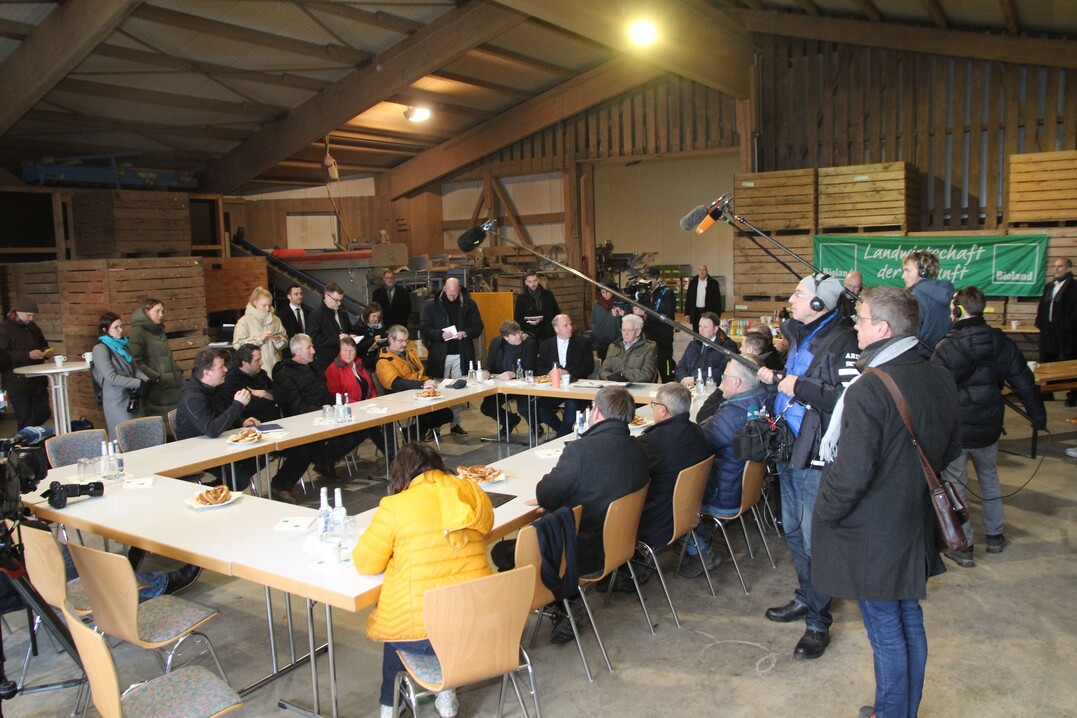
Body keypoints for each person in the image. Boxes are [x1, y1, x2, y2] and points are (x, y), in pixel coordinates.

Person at [812, 286, 961, 718]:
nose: (854, 327)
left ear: (882, 328)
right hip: (914, 518)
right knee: (908, 618)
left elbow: (851, 474)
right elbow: (951, 450)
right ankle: (902, 711)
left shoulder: (870, 388)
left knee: (885, 629)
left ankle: (892, 713)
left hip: (875, 531)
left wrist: (824, 512)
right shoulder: (938, 374)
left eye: (859, 319)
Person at [757, 273, 860, 660]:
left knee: (815, 538)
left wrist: (794, 385)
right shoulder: (802, 332)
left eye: (800, 294)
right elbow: (797, 380)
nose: (792, 298)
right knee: (794, 531)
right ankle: (807, 595)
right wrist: (778, 378)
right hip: (790, 448)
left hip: (816, 455)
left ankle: (818, 623)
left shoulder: (844, 340)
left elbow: (846, 399)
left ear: (821, 304)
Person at [354, 442, 493, 718]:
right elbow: (486, 530)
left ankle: (389, 705)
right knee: (441, 609)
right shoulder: (471, 491)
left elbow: (366, 563)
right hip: (478, 624)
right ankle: (446, 691)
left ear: (401, 475)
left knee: (398, 630)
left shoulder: (395, 506)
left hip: (423, 637)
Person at [931, 286, 1046, 567]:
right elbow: (1023, 381)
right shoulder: (1001, 342)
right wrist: (1038, 416)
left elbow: (932, 390)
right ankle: (995, 537)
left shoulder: (948, 346)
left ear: (957, 310)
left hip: (958, 430)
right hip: (989, 426)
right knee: (990, 479)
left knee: (956, 486)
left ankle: (964, 545)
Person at [530, 386, 650, 640]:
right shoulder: (639, 447)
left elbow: (546, 495)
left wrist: (555, 504)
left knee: (506, 552)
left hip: (583, 550)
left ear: (596, 413)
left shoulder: (580, 451)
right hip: (621, 542)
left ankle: (567, 605)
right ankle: (608, 581)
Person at [176, 349, 315, 503]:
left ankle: (223, 492)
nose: (225, 370)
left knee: (261, 456)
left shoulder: (215, 388)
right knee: (240, 479)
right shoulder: (193, 398)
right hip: (198, 452)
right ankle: (203, 495)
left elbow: (223, 413)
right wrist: (238, 405)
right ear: (207, 373)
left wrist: (241, 421)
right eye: (220, 367)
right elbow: (212, 429)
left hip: (220, 445)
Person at [682, 356, 768, 576]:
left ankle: (699, 550)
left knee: (671, 490)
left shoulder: (729, 418)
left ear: (737, 383)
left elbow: (692, 445)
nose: (720, 383)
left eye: (724, 378)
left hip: (723, 494)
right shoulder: (762, 399)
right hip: (743, 487)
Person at [272, 334, 367, 490]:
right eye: (309, 347)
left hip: (327, 415)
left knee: (359, 429)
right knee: (305, 450)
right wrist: (327, 412)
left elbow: (325, 393)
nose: (314, 351)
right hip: (304, 422)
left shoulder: (313, 366)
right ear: (297, 351)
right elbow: (297, 406)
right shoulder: (285, 374)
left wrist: (336, 408)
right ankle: (281, 485)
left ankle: (324, 461)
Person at [635, 384, 712, 568]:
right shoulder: (696, 431)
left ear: (663, 410)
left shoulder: (651, 442)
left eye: (654, 405)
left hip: (660, 519)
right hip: (689, 508)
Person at [420, 278, 483, 437]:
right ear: (444, 290)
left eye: (455, 294)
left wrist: (466, 332)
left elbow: (478, 327)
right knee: (437, 391)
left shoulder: (469, 304)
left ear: (459, 290)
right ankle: (435, 428)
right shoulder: (431, 305)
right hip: (440, 353)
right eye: (449, 294)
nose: (452, 297)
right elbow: (425, 329)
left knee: (458, 391)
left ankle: (455, 424)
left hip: (461, 352)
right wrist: (440, 334)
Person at [375, 325, 453, 439]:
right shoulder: (383, 361)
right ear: (391, 340)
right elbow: (395, 383)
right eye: (401, 341)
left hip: (415, 392)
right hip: (399, 397)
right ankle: (414, 435)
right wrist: (422, 385)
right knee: (431, 416)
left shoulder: (408, 353)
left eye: (406, 341)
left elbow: (418, 372)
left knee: (446, 414)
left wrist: (428, 382)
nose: (404, 344)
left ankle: (413, 433)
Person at [91, 312, 150, 440]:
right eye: (116, 327)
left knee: (139, 433)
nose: (120, 330)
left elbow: (134, 368)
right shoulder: (100, 349)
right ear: (105, 330)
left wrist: (146, 380)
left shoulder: (124, 346)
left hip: (132, 396)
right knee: (124, 435)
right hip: (116, 399)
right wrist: (138, 383)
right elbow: (111, 376)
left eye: (121, 326)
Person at [536, 314, 595, 437]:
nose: (570, 327)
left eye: (570, 324)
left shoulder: (583, 343)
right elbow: (539, 367)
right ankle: (564, 434)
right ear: (556, 329)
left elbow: (588, 367)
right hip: (554, 389)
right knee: (540, 407)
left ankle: (559, 437)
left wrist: (568, 372)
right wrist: (549, 373)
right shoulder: (545, 345)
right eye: (566, 325)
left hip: (576, 388)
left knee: (571, 405)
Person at [128, 297, 183, 421]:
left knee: (174, 419)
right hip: (156, 387)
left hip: (169, 384)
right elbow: (135, 360)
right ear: (146, 311)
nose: (161, 315)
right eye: (157, 311)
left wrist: (176, 370)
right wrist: (155, 376)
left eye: (162, 311)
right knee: (161, 420)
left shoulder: (159, 331)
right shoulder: (138, 332)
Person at [0, 299, 51, 429]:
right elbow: (3, 355)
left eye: (33, 315)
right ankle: (22, 443)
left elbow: (43, 344)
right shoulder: (5, 329)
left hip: (37, 379)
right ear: (17, 313)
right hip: (17, 383)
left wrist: (45, 352)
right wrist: (27, 355)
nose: (31, 318)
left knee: (44, 412)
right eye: (28, 315)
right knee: (24, 416)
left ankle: (25, 439)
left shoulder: (33, 327)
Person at [480, 320, 536, 436]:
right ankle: (509, 421)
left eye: (519, 332)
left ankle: (536, 426)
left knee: (524, 408)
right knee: (487, 407)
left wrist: (514, 374)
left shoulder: (529, 343)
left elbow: (531, 366)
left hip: (522, 384)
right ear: (506, 337)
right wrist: (485, 371)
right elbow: (490, 363)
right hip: (501, 384)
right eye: (514, 335)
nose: (519, 336)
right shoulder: (496, 343)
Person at [1035, 257, 1077, 405]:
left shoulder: (1074, 287)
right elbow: (1042, 306)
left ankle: (1073, 396)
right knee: (1048, 360)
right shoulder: (1049, 286)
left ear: (1069, 269)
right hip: (1049, 330)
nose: (1056, 269)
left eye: (1060, 266)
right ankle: (1048, 392)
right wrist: (1040, 322)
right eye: (1055, 266)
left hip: (1068, 332)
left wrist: (1068, 328)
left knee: (1070, 362)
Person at [901, 251, 954, 356]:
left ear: (923, 272)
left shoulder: (914, 297)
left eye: (908, 270)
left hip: (920, 358)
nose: (903, 276)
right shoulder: (949, 293)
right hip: (944, 356)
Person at [632, 266, 676, 382]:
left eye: (650, 278)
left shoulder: (667, 293)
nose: (647, 281)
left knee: (665, 368)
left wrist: (645, 313)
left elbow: (666, 316)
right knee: (650, 371)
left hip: (663, 339)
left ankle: (669, 386)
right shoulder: (644, 294)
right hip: (648, 339)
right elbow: (636, 311)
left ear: (658, 279)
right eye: (645, 278)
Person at [233, 287, 288, 377]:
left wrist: (278, 340)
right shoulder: (244, 321)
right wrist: (258, 339)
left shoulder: (276, 319)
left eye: (269, 305)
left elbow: (285, 340)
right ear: (255, 303)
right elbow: (237, 344)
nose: (267, 309)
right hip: (256, 369)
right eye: (264, 305)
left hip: (276, 365)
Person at [674, 311, 738, 388]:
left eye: (705, 327)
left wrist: (696, 379)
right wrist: (683, 378)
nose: (701, 330)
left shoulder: (727, 346)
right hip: (688, 386)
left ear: (715, 329)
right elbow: (681, 366)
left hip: (711, 388)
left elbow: (723, 371)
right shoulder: (693, 344)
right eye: (700, 326)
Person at [220, 345, 280, 423]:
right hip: (252, 424)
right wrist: (272, 397)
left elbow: (280, 393)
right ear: (245, 363)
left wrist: (265, 394)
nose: (261, 363)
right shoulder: (232, 380)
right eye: (257, 360)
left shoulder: (260, 373)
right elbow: (251, 405)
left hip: (274, 420)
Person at [307, 282, 353, 373]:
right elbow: (314, 339)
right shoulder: (316, 315)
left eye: (341, 300)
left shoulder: (342, 313)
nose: (339, 303)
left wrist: (351, 335)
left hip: (343, 358)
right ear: (326, 296)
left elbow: (349, 329)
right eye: (336, 300)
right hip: (326, 363)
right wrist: (337, 338)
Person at [599, 314, 657, 382]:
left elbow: (647, 375)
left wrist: (623, 375)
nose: (625, 334)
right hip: (613, 387)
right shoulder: (613, 346)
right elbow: (603, 372)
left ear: (638, 331)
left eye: (629, 330)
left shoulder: (649, 347)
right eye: (623, 330)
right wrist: (613, 378)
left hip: (637, 388)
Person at [325, 336, 380, 403]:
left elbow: (371, 388)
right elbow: (336, 395)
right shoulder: (333, 369)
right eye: (345, 350)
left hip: (369, 406)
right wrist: (358, 405)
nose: (348, 354)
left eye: (352, 350)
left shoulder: (359, 364)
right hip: (350, 408)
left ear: (356, 351)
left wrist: (374, 401)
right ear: (339, 352)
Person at [514, 271, 560, 345]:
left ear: (538, 280)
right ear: (526, 282)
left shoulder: (548, 295)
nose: (533, 284)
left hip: (547, 331)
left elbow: (556, 312)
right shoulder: (522, 298)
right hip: (530, 332)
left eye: (535, 280)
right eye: (530, 281)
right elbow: (517, 318)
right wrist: (529, 323)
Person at [591, 282, 625, 361]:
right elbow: (593, 321)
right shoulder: (597, 305)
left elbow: (625, 320)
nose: (605, 294)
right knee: (602, 361)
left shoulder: (620, 304)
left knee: (616, 362)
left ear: (613, 291)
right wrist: (596, 334)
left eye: (607, 292)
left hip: (616, 339)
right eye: (603, 292)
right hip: (601, 340)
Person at [684, 264, 722, 333]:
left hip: (708, 311)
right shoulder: (693, 282)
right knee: (696, 332)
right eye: (700, 270)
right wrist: (687, 313)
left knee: (707, 331)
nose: (701, 272)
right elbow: (688, 298)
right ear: (698, 271)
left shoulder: (713, 283)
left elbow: (717, 300)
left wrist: (717, 315)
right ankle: (697, 343)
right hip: (695, 312)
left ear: (707, 271)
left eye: (704, 270)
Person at [352, 303, 388, 372]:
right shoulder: (358, 327)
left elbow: (384, 340)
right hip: (365, 360)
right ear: (367, 314)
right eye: (373, 316)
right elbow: (358, 348)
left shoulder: (381, 326)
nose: (376, 319)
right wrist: (373, 341)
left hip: (379, 357)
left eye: (378, 317)